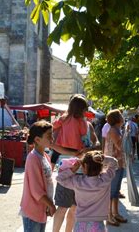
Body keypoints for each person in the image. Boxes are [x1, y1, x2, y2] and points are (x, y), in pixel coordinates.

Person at [51, 94, 89, 232]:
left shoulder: (63, 118)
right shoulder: (81, 121)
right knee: (74, 205)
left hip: (63, 159)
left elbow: (53, 126)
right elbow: (84, 132)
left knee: (62, 205)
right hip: (77, 159)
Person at [56, 150, 118, 232]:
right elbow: (114, 163)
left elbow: (60, 178)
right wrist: (102, 158)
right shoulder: (105, 180)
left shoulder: (77, 182)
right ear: (101, 167)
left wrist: (72, 170)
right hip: (97, 224)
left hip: (80, 223)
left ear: (84, 167)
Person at [20, 121, 56, 232]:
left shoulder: (45, 156)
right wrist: (51, 205)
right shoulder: (33, 159)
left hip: (41, 209)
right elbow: (36, 191)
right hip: (32, 211)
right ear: (37, 140)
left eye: (52, 134)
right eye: (49, 135)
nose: (52, 138)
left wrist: (49, 205)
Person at [104, 109, 128, 226]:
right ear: (117, 119)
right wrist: (126, 134)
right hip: (113, 164)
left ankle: (115, 213)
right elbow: (119, 146)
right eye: (120, 115)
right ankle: (109, 216)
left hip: (119, 163)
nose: (122, 117)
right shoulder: (114, 130)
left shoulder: (117, 130)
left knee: (116, 190)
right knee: (112, 190)